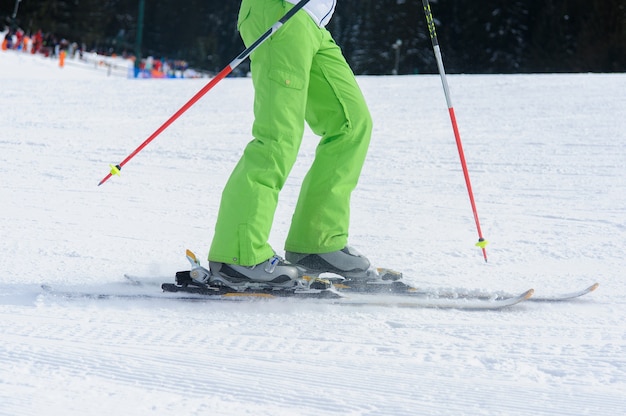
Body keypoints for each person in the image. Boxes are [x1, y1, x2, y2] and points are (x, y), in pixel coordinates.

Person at [208, 0, 372, 286]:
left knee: (352, 124)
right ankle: (238, 254)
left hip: (314, 22)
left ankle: (316, 242)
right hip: (282, 9)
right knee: (278, 136)